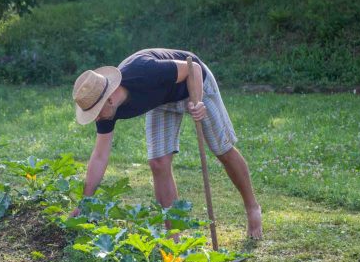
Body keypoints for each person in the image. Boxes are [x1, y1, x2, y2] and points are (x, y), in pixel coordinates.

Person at [71, 48, 262, 239]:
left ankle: (252, 208)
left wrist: (197, 102)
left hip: (194, 84)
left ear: (110, 99)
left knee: (223, 150)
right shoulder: (105, 110)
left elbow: (192, 68)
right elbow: (100, 156)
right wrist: (84, 201)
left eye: (96, 113)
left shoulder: (144, 72)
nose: (96, 119)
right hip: (161, 101)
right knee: (158, 162)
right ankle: (173, 237)